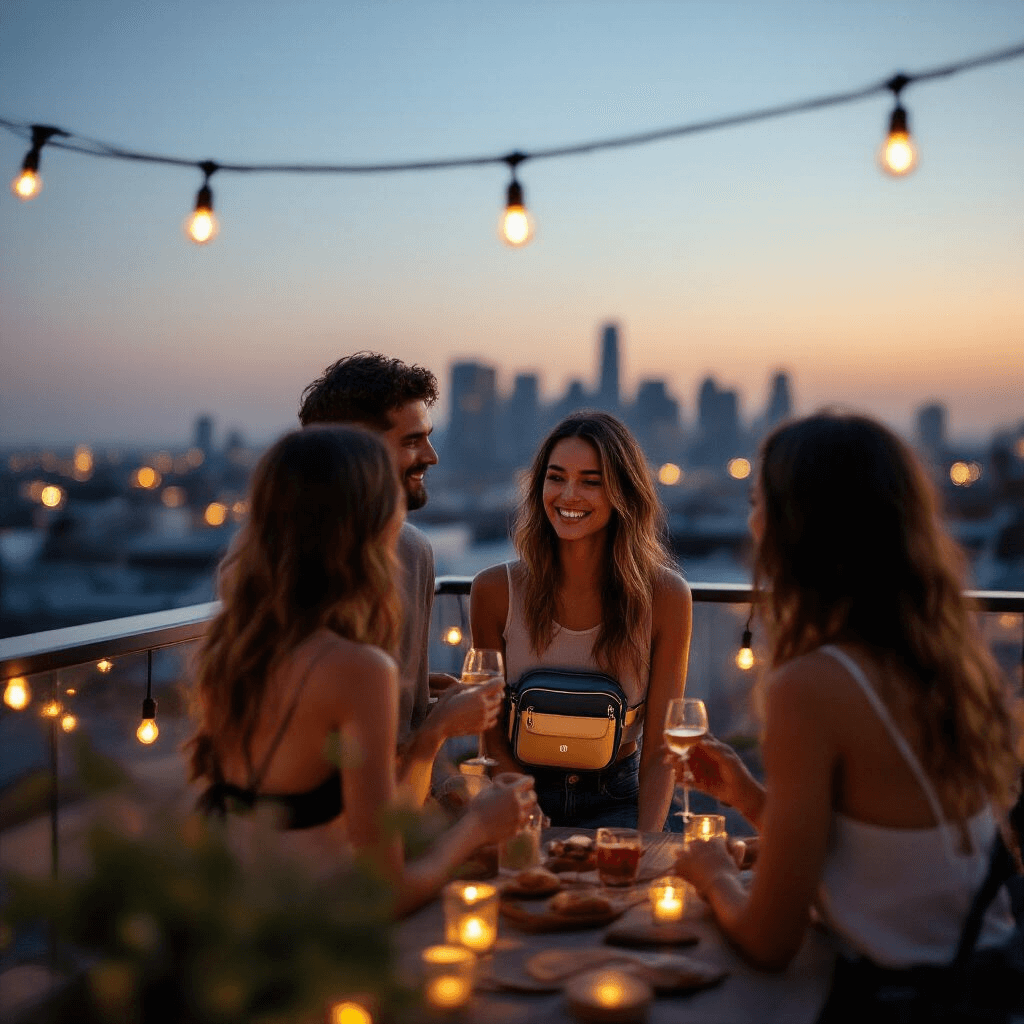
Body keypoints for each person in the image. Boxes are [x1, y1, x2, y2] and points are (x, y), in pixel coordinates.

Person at [671, 411, 1020, 974]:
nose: (751, 522)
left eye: (759, 503)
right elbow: (878, 857)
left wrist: (712, 873)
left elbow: (768, 941)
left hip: (909, 996)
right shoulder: (925, 657)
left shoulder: (811, 685)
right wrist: (749, 798)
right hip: (988, 974)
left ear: (798, 527)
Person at [187, 425, 536, 916]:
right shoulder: (357, 668)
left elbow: (350, 825)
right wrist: (478, 825)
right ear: (370, 524)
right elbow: (384, 892)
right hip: (317, 937)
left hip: (239, 924)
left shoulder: (235, 647)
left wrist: (432, 732)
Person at [470, 410, 692, 831]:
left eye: (591, 482)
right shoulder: (495, 591)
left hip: (620, 798)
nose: (569, 495)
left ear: (624, 493)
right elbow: (491, 736)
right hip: (521, 791)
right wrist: (524, 809)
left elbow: (661, 748)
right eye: (556, 478)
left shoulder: (666, 596)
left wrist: (642, 843)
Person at [298, 352, 502, 804]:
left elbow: (400, 729)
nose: (431, 456)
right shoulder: (291, 572)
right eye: (413, 441)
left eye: (427, 438)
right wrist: (442, 725)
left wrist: (429, 703)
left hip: (406, 810)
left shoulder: (413, 552)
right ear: (356, 453)